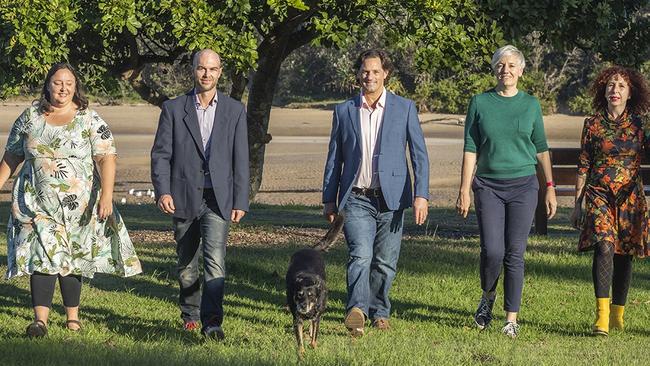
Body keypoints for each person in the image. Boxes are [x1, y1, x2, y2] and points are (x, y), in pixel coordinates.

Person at [0, 62, 142, 337]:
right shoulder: (30, 116)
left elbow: (107, 156)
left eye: (68, 83)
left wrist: (108, 196)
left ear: (76, 87)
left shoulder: (89, 118)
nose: (62, 88)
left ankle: (72, 318)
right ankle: (39, 321)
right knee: (41, 254)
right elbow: (11, 157)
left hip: (80, 204)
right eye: (57, 82)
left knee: (71, 256)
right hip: (36, 201)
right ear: (48, 85)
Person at [322, 49, 430, 337]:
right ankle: (356, 310)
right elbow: (335, 158)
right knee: (360, 255)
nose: (369, 76)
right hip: (356, 198)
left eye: (374, 71)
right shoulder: (344, 110)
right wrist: (329, 199)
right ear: (358, 74)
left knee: (384, 262)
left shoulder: (404, 108)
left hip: (392, 199)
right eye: (364, 71)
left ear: (386, 74)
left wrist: (422, 195)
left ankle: (379, 310)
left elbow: (419, 154)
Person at [456, 45, 557, 338]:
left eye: (512, 65)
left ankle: (511, 318)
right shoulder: (479, 103)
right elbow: (470, 148)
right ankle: (488, 296)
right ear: (494, 70)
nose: (506, 70)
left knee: (515, 253)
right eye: (501, 65)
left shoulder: (531, 105)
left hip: (524, 186)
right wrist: (464, 188)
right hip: (488, 185)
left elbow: (541, 148)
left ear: (521, 71)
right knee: (493, 250)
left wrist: (550, 188)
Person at [151, 49, 249, 340]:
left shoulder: (234, 110)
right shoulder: (173, 108)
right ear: (192, 71)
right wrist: (163, 190)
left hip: (219, 198)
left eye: (212, 69)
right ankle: (190, 314)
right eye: (201, 68)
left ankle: (212, 323)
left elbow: (241, 158)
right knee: (186, 264)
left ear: (220, 72)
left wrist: (241, 200)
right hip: (182, 195)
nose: (206, 74)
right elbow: (160, 155)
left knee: (215, 260)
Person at [570, 66, 650, 336]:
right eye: (610, 85)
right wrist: (576, 203)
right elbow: (584, 163)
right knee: (604, 247)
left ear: (630, 94)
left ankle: (618, 315)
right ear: (603, 91)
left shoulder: (640, 125)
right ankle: (601, 317)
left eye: (621, 86)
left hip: (630, 198)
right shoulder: (592, 124)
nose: (614, 90)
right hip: (599, 194)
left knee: (624, 255)